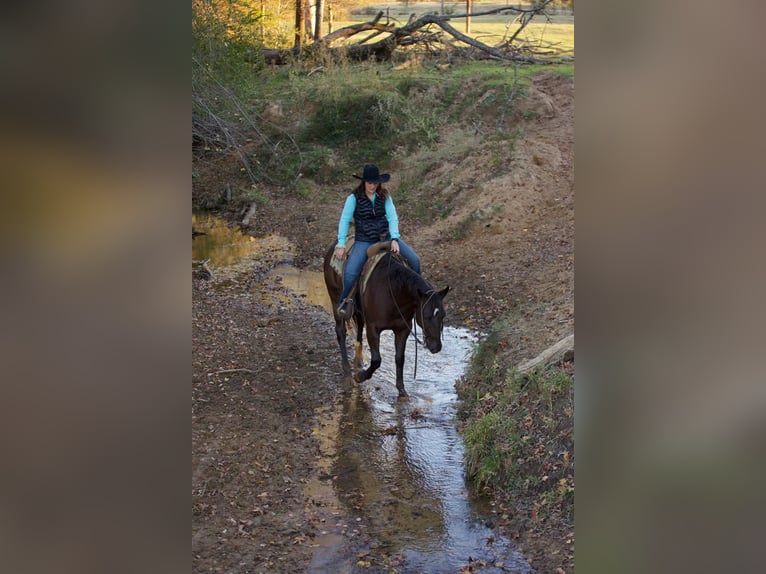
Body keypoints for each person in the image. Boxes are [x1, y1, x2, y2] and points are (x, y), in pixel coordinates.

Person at [334, 164, 421, 318]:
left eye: (375, 183)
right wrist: (341, 244)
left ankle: (420, 296)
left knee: (415, 260)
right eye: (370, 183)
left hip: (386, 237)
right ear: (364, 182)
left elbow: (392, 217)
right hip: (364, 240)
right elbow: (344, 220)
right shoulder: (353, 198)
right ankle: (345, 302)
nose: (372, 186)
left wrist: (394, 238)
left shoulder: (385, 196)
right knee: (350, 272)